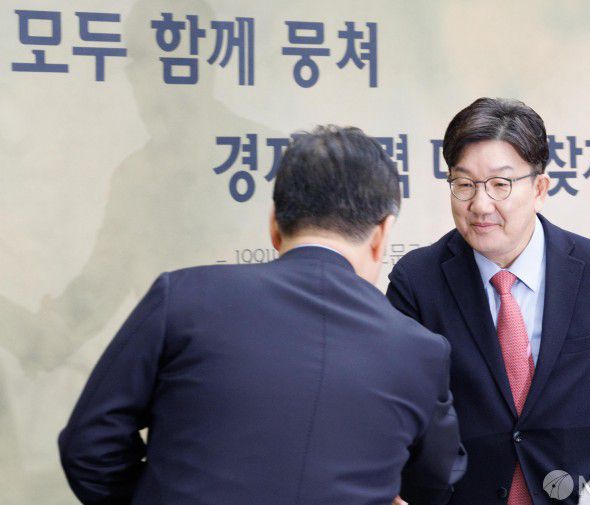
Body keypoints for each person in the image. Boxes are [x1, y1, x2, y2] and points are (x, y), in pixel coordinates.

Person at [58, 125, 466, 505]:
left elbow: (89, 446)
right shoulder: (420, 351)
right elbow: (434, 480)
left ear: (274, 223)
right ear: (382, 234)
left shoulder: (182, 298)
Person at [387, 98, 590, 505]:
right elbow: (397, 417)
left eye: (500, 184)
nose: (480, 205)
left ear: (540, 189)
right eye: (464, 184)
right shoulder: (416, 281)